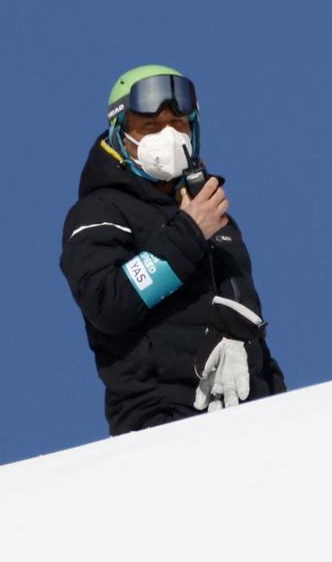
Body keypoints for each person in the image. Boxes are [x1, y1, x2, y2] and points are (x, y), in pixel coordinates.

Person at [60, 65, 286, 435]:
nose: (168, 135)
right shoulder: (101, 210)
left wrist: (278, 399)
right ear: (121, 135)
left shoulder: (214, 214)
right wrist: (189, 233)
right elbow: (107, 302)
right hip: (162, 422)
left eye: (178, 123)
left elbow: (250, 322)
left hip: (249, 418)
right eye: (150, 127)